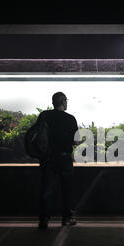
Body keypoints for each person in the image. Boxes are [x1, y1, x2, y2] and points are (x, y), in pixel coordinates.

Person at [37, 92, 79, 229]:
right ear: (63, 101)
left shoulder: (44, 116)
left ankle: (44, 219)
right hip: (64, 157)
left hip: (48, 157)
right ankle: (67, 217)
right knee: (67, 189)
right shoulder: (70, 119)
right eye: (66, 100)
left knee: (47, 189)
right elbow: (76, 140)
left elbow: (37, 134)